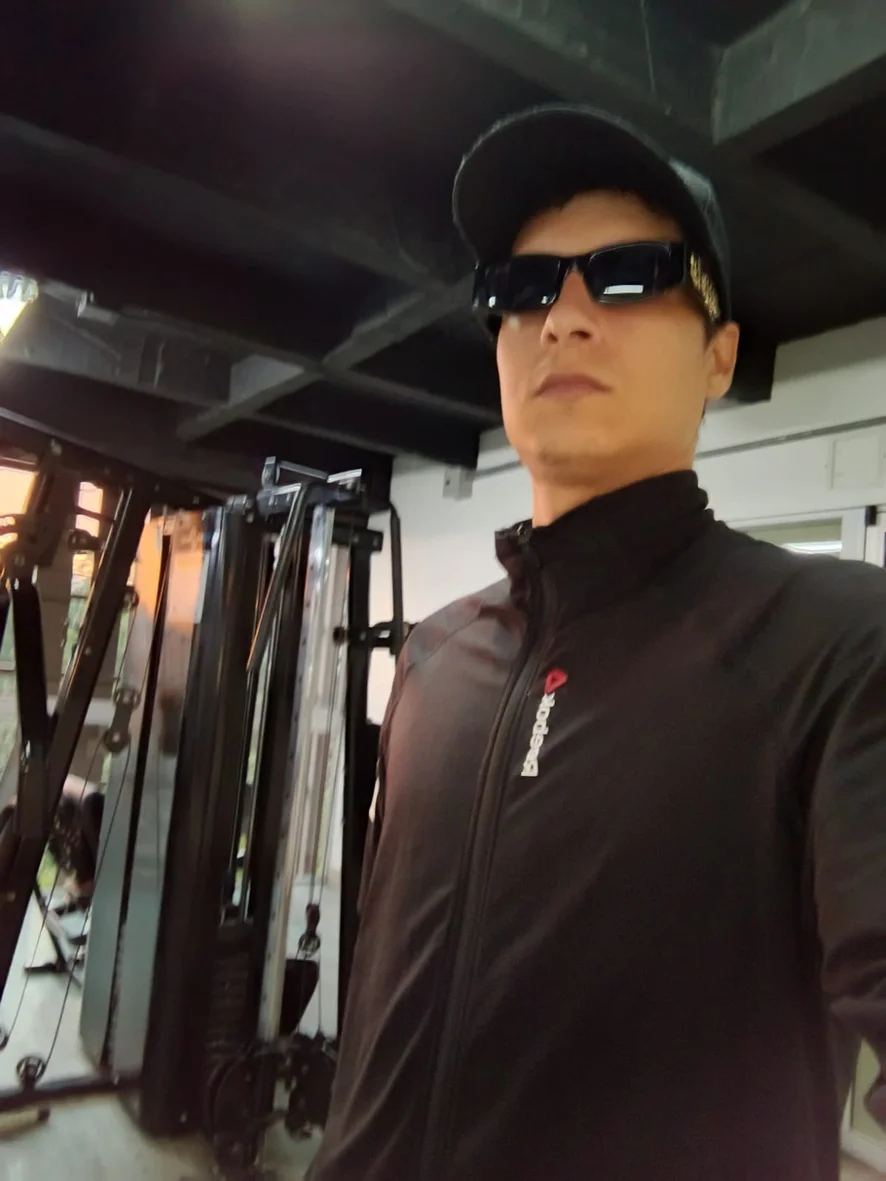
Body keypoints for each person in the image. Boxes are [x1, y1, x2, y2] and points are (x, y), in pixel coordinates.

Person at [307, 105, 886, 1181]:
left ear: (719, 357)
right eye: (523, 288)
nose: (562, 318)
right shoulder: (434, 657)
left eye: (627, 275)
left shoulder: (837, 649)